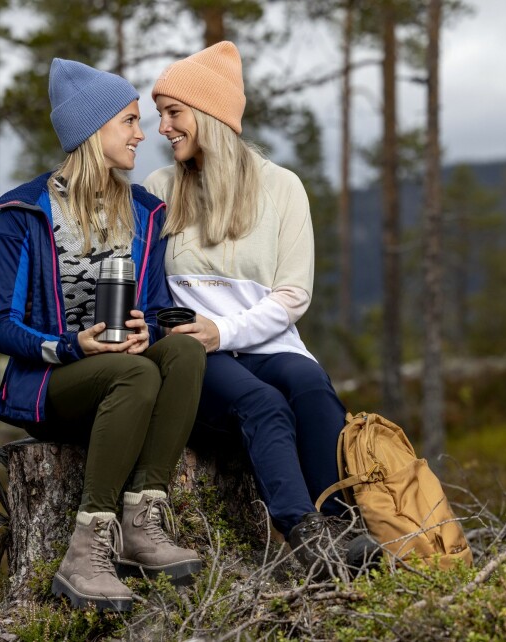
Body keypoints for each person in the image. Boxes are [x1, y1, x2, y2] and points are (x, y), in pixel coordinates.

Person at [0, 58, 206, 612]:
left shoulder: (145, 213)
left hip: (123, 376)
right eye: (129, 121)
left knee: (181, 349)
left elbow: (157, 309)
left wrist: (145, 327)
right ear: (92, 130)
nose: (143, 133)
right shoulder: (23, 213)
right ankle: (86, 552)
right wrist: (68, 346)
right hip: (49, 384)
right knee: (134, 371)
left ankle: (143, 519)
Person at [144, 41, 365, 577]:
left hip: (259, 341)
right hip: (195, 353)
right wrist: (194, 337)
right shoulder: (159, 189)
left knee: (310, 386)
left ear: (209, 114)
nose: (163, 127)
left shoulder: (282, 187)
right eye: (159, 115)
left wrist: (225, 330)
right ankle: (303, 533)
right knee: (262, 403)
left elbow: (293, 295)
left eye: (174, 113)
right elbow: (148, 290)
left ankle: (342, 526)